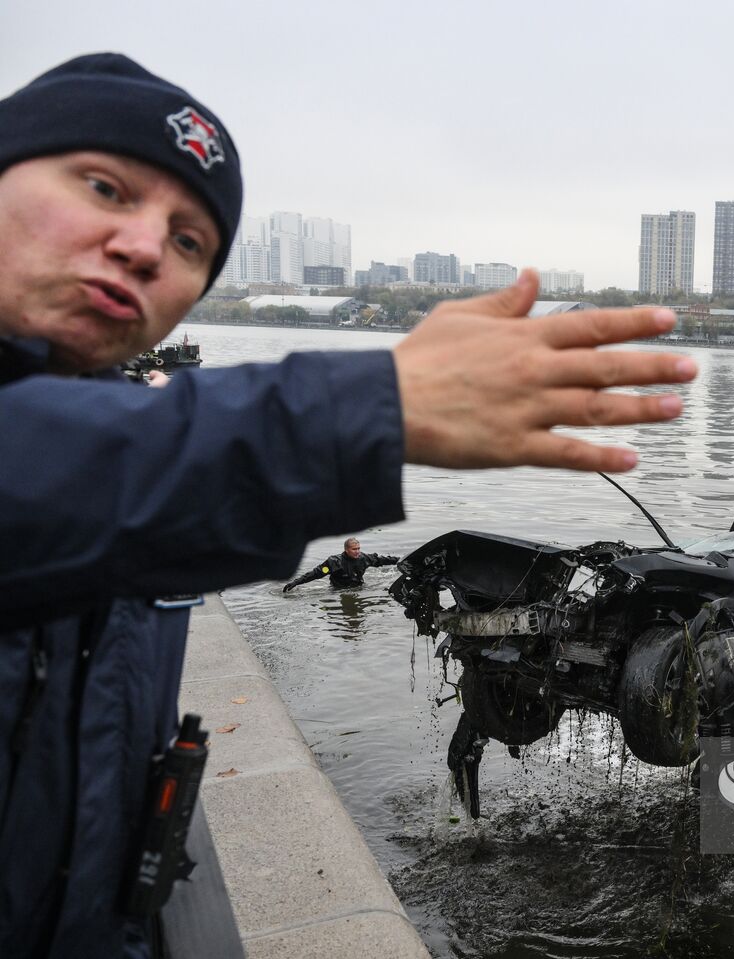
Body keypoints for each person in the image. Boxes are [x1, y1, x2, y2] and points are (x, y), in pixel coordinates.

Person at [0, 53, 696, 959]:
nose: (143, 247)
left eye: (189, 244)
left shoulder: (133, 490)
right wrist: (380, 406)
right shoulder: (100, 468)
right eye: (103, 187)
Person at [284, 538, 400, 591]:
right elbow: (316, 574)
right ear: (346, 550)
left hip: (359, 587)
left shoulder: (364, 558)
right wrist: (296, 582)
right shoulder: (334, 562)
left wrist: (401, 559)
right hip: (338, 589)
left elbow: (382, 560)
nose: (357, 551)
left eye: (359, 548)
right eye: (354, 549)